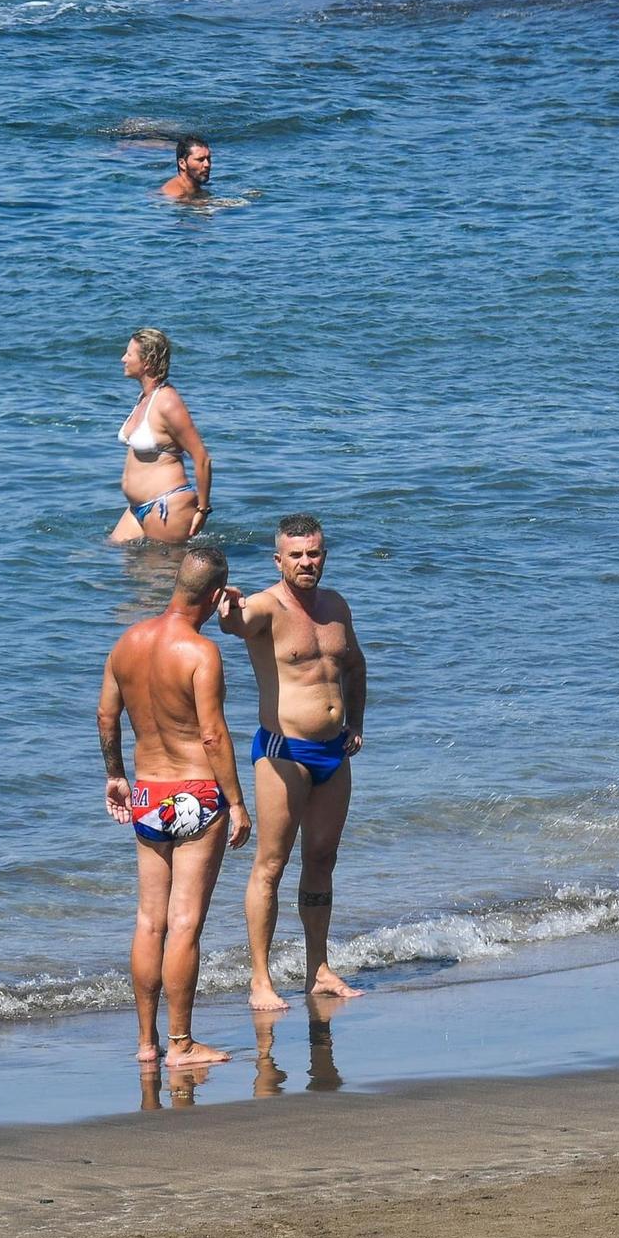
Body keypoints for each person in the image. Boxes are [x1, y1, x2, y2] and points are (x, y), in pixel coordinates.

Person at [97, 544, 253, 1069]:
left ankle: (146, 1043)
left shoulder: (127, 641)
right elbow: (211, 735)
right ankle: (182, 1045)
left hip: (147, 793)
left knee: (149, 922)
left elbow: (105, 716)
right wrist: (236, 802)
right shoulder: (201, 653)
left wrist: (115, 775)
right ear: (214, 597)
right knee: (184, 924)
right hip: (194, 794)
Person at [216, 512, 368, 1012]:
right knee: (272, 865)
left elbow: (354, 665)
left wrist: (356, 723)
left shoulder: (335, 605)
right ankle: (260, 980)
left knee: (322, 860)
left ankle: (317, 969)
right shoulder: (267, 606)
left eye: (315, 553)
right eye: (297, 555)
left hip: (333, 753)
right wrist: (227, 610)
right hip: (286, 752)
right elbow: (238, 624)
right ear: (278, 559)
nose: (307, 562)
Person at [111, 328, 214, 545]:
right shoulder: (144, 398)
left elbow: (201, 457)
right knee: (109, 556)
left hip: (167, 507)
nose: (123, 359)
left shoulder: (168, 402)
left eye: (129, 354)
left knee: (162, 574)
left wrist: (203, 510)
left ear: (147, 362)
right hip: (137, 508)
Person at [159, 135, 212, 200]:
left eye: (208, 158)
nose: (207, 164)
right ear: (182, 164)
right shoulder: (174, 193)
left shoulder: (193, 187)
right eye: (200, 160)